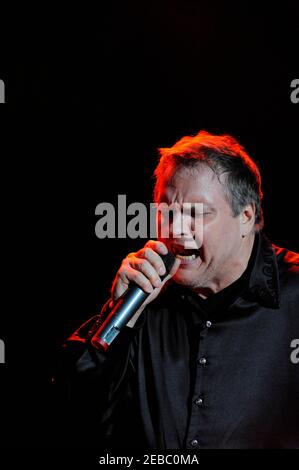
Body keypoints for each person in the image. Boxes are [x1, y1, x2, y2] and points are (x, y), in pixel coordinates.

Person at [55, 130, 299, 449]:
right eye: (166, 211)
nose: (176, 229)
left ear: (246, 217)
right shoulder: (144, 298)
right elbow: (72, 414)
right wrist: (117, 317)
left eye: (196, 213)